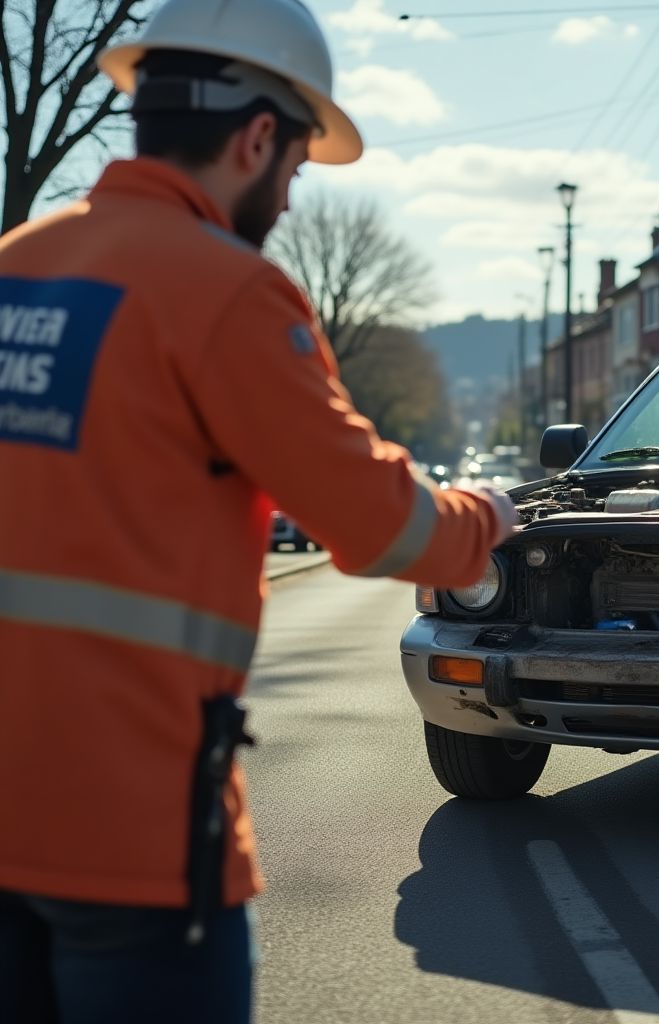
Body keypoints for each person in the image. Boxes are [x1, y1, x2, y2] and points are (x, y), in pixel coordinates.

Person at [0, 1, 517, 1021]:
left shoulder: (16, 264)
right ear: (254, 138)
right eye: (294, 167)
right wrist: (482, 518)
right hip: (134, 839)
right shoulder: (230, 293)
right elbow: (382, 529)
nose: (286, 196)